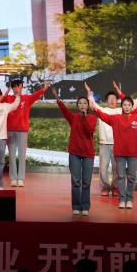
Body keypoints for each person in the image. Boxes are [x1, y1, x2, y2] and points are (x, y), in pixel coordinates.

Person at [55, 88, 98, 216]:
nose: (82, 105)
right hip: (74, 153)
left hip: (88, 154)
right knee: (75, 182)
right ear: (77, 105)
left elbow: (89, 131)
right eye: (80, 103)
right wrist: (58, 100)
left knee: (86, 182)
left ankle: (85, 206)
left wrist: (84, 118)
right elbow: (65, 111)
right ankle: (76, 206)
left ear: (88, 105)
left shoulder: (92, 118)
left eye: (85, 103)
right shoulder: (73, 117)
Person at [3, 78, 51, 187]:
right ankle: (13, 178)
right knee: (11, 155)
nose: (17, 89)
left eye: (18, 86)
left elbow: (36, 95)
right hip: (10, 130)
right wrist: (5, 93)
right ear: (12, 88)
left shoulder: (26, 98)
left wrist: (44, 89)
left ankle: (20, 178)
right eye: (14, 87)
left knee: (22, 155)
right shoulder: (8, 98)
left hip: (22, 130)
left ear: (22, 87)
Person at [93, 88, 122, 197]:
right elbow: (93, 104)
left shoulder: (121, 111)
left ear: (117, 101)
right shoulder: (102, 110)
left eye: (114, 98)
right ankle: (105, 187)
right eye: (110, 98)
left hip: (117, 144)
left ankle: (115, 187)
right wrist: (89, 94)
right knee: (103, 167)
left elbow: (132, 105)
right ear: (106, 101)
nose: (112, 100)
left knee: (116, 168)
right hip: (104, 143)